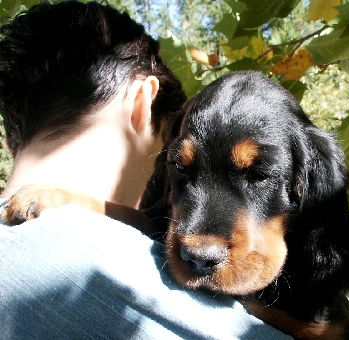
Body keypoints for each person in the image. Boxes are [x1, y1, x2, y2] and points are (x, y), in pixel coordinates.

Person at [0, 1, 291, 339]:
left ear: (10, 140)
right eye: (173, 163)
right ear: (141, 102)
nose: (163, 194)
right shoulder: (162, 305)